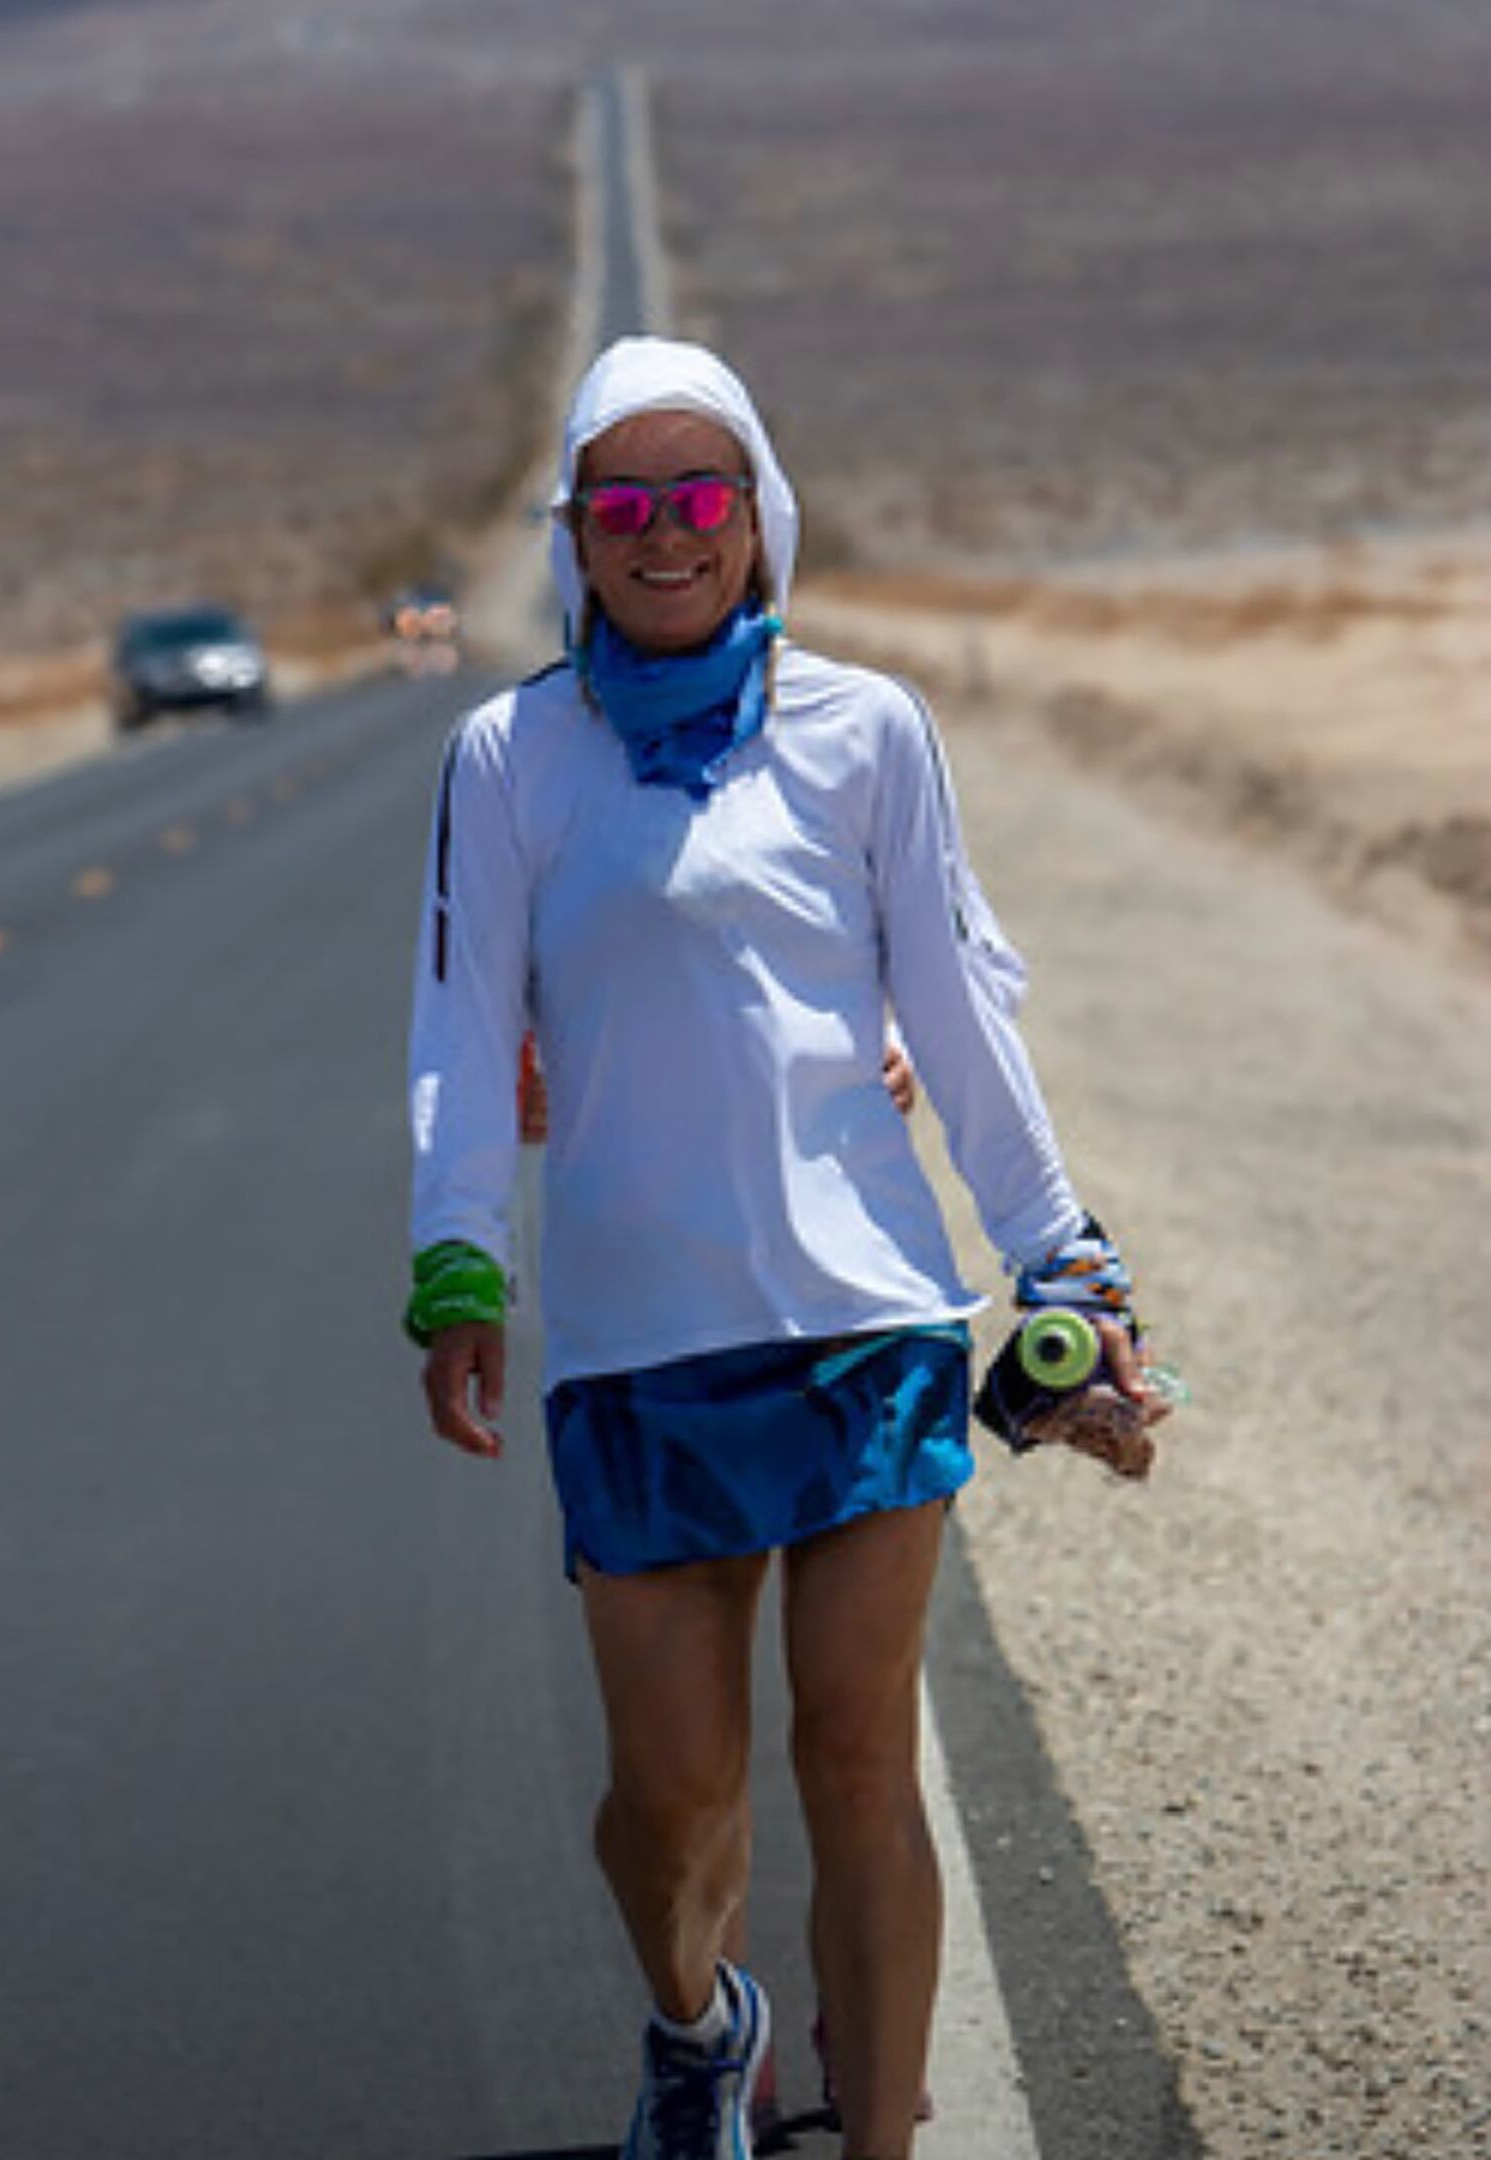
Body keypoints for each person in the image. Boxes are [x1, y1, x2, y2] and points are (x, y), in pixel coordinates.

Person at [405, 336, 1167, 2160]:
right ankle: (701, 2023)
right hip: (636, 1343)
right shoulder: (507, 756)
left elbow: (961, 1007)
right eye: (625, 504)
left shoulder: (868, 731)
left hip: (865, 1319)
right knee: (672, 1803)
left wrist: (1065, 1257)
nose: (666, 536)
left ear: (759, 520)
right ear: (576, 535)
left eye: (701, 498)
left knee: (855, 1755)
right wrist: (455, 1265)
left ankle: (881, 2127)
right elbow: (451, 1028)